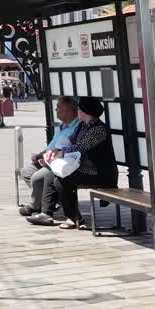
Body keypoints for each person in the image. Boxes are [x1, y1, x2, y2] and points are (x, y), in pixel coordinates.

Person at [28, 97, 119, 229]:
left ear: (86, 112)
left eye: (79, 109)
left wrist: (60, 154)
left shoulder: (98, 129)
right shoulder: (83, 125)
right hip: (84, 168)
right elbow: (70, 141)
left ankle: (74, 217)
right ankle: (46, 213)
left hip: (98, 172)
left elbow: (80, 147)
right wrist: (55, 150)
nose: (77, 111)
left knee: (61, 180)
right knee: (50, 175)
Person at [18, 96, 80, 217]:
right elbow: (51, 146)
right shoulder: (61, 126)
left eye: (58, 108)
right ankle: (50, 200)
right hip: (47, 158)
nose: (56, 111)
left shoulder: (76, 127)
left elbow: (68, 150)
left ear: (67, 110)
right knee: (26, 172)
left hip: (61, 162)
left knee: (37, 178)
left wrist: (50, 160)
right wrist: (40, 155)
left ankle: (37, 206)